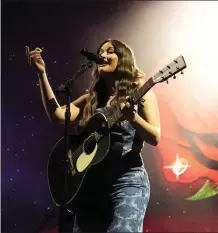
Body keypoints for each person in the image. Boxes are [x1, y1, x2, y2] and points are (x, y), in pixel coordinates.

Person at [27, 39, 161, 232]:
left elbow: (154, 137)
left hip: (126, 181)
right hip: (90, 186)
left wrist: (133, 117)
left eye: (111, 51)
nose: (103, 55)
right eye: (101, 52)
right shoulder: (91, 99)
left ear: (123, 59)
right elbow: (58, 115)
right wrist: (42, 74)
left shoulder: (139, 92)